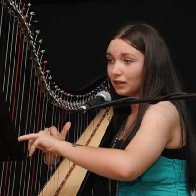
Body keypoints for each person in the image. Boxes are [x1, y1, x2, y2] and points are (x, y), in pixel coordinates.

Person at [18, 22, 196, 195]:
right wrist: (57, 153)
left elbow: (127, 167)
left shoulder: (161, 111)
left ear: (152, 65)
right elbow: (104, 165)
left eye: (127, 61)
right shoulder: (123, 113)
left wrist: (62, 147)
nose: (115, 70)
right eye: (111, 60)